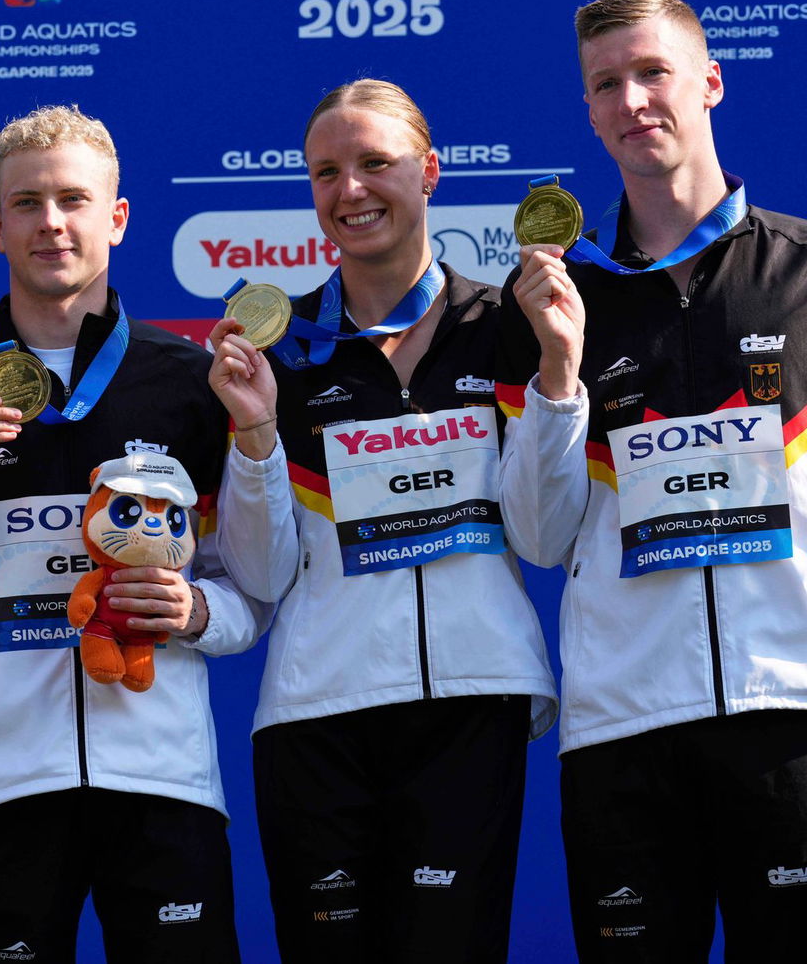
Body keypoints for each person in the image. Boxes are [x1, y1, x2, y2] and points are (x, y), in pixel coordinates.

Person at [499, 0, 807, 961]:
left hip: (791, 714)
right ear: (589, 112)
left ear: (710, 82)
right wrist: (557, 370)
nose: (633, 99)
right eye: (606, 84)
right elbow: (541, 536)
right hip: (621, 726)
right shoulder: (557, 300)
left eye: (654, 72)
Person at [0, 105, 259, 963]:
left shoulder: (191, 384)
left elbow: (252, 590)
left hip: (162, 779)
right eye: (27, 203)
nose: (51, 222)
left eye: (73, 200)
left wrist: (196, 612)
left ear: (116, 218)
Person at [209, 79, 557, 963]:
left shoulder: (505, 327)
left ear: (429, 172)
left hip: (472, 704)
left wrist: (558, 375)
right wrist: (255, 433)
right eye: (326, 172)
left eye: (374, 162)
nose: (350, 190)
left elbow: (546, 534)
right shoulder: (282, 350)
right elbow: (261, 574)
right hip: (318, 712)